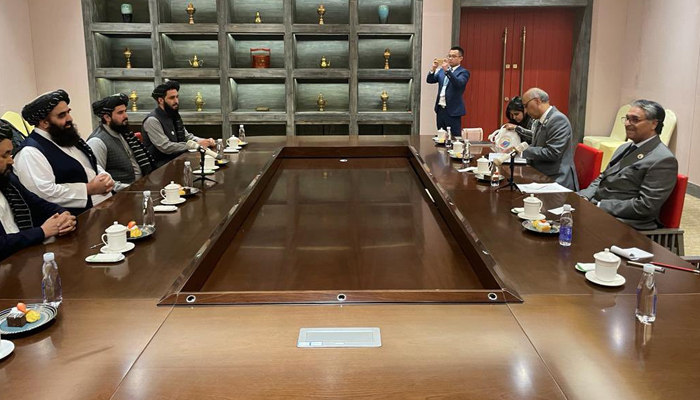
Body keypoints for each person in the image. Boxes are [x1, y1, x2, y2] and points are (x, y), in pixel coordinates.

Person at [579, 100, 678, 230]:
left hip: (627, 223)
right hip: (601, 211)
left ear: (654, 124)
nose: (627, 124)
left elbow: (644, 206)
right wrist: (584, 196)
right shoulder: (624, 147)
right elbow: (602, 177)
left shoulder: (663, 159)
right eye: (626, 118)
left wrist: (599, 205)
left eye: (635, 120)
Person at [14, 89, 114, 215]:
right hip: (74, 219)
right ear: (44, 123)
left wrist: (105, 177)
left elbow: (88, 165)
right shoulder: (30, 152)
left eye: (68, 112)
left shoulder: (64, 136)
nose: (69, 118)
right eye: (62, 115)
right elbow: (44, 193)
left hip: (104, 206)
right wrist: (88, 189)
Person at [0, 123, 76, 261]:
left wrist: (63, 216)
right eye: (5, 155)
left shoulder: (8, 179)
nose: (11, 161)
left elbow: (38, 203)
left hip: (25, 258)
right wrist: (42, 232)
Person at [506, 88, 578, 190]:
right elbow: (537, 146)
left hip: (556, 179)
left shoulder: (558, 119)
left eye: (526, 106)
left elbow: (552, 153)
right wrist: (518, 149)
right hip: (541, 174)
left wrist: (523, 151)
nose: (525, 111)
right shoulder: (540, 120)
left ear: (537, 101)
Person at [87, 93, 154, 191]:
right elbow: (100, 179)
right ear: (107, 117)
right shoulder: (97, 141)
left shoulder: (122, 133)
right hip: (121, 196)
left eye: (125, 111)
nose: (125, 116)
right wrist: (132, 189)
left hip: (140, 188)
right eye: (120, 113)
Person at [142, 80, 215, 168]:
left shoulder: (173, 115)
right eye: (172, 98)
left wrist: (205, 141)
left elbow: (187, 137)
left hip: (178, 161)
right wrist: (196, 146)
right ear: (161, 100)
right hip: (160, 168)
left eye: (177, 97)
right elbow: (166, 147)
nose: (176, 101)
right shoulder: (152, 120)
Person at [426, 46, 470, 136]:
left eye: (453, 56)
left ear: (460, 58)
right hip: (440, 109)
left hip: (453, 110)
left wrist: (448, 71)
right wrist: (433, 69)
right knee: (441, 136)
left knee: (454, 137)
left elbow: (458, 83)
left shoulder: (463, 72)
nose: (450, 59)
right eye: (449, 56)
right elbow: (430, 80)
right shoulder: (442, 71)